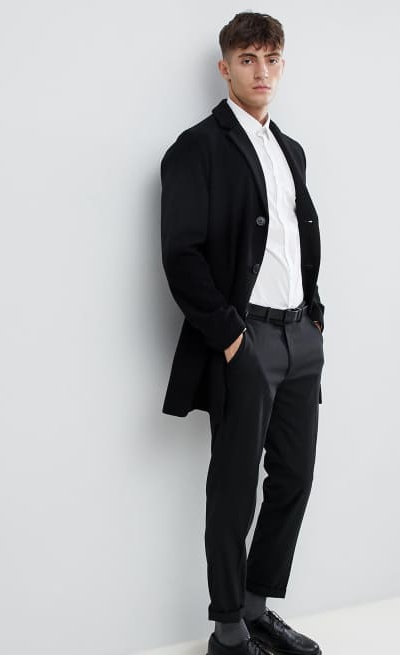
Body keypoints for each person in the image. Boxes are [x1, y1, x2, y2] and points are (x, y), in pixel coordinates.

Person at [160, 12, 325, 655]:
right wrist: (231, 338)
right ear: (225, 67)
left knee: (294, 476)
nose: (262, 72)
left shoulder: (291, 150)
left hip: (299, 339)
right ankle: (228, 632)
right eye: (248, 59)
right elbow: (181, 255)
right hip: (245, 338)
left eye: (272, 59)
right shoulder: (196, 148)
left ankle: (257, 609)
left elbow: (297, 241)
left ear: (282, 66)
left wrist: (314, 314)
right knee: (234, 485)